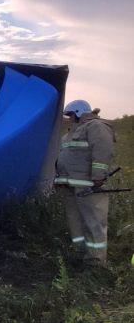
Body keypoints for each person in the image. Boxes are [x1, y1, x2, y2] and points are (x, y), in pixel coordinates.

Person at [54, 100, 115, 265]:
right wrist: (58, 179)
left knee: (93, 223)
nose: (69, 118)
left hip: (89, 185)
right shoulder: (70, 133)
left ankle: (95, 261)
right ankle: (81, 253)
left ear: (79, 112)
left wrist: (99, 176)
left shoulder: (96, 126)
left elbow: (103, 150)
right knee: (76, 223)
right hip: (69, 186)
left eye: (71, 115)